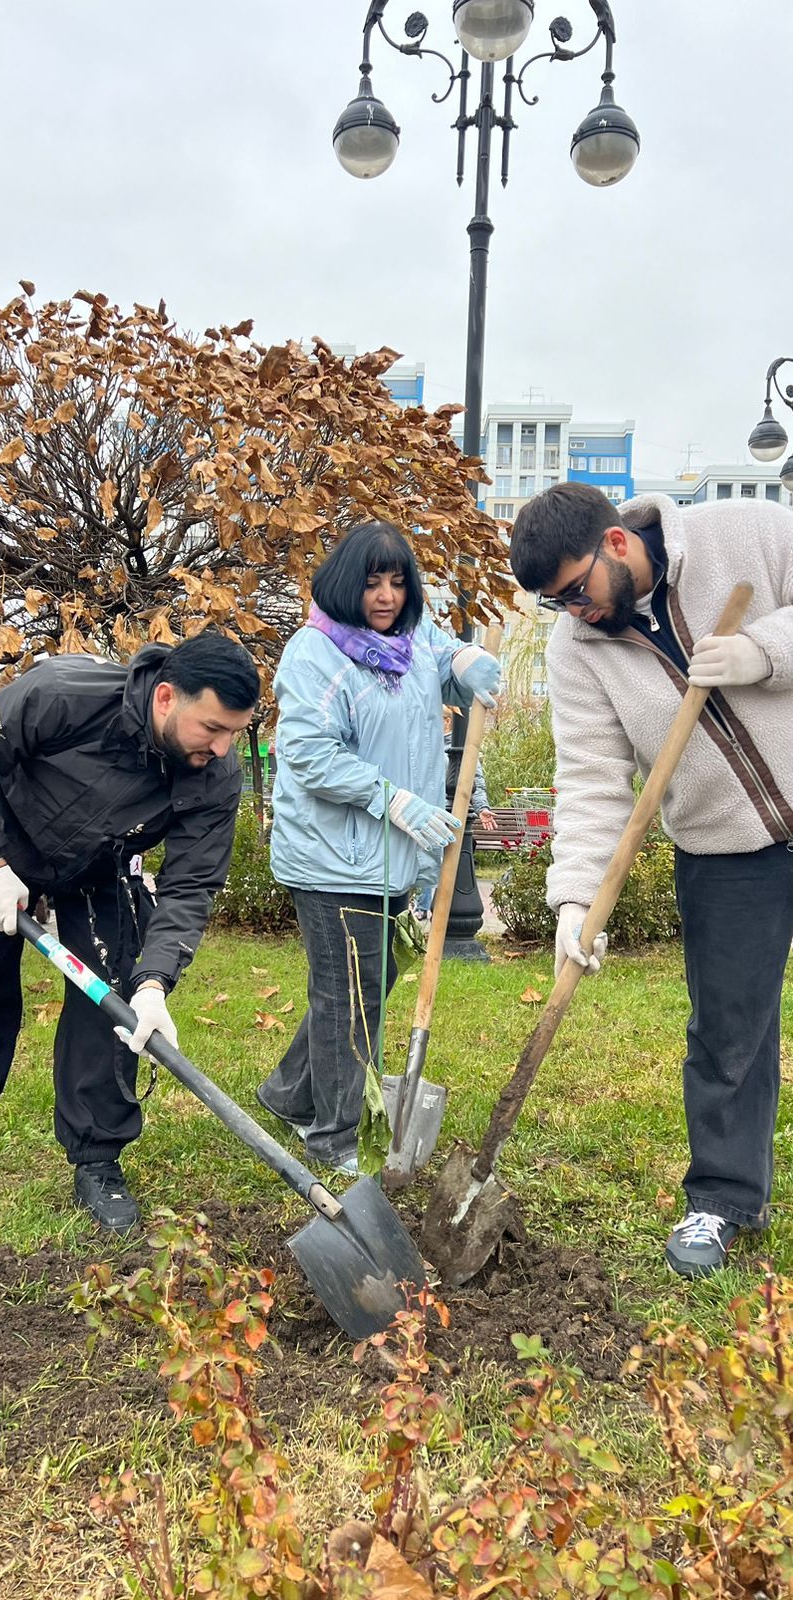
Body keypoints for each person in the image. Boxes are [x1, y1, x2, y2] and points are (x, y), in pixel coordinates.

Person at [508, 481, 793, 1279]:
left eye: (575, 591)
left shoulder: (751, 533)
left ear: (618, 544)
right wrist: (572, 900)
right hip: (725, 850)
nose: (574, 613)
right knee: (726, 1038)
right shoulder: (578, 651)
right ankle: (727, 1198)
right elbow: (594, 778)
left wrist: (765, 652)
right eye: (554, 605)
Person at [0, 634, 260, 1230]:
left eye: (233, 734)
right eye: (212, 728)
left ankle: (97, 1157)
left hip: (100, 871)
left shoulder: (214, 773)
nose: (221, 748)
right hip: (4, 844)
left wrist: (155, 982)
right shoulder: (66, 693)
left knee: (110, 1004)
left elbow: (191, 884)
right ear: (166, 697)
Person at [260, 520, 501, 1173]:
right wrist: (391, 800)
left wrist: (467, 663)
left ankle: (289, 1091)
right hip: (333, 857)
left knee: (367, 981)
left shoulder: (413, 637)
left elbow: (445, 657)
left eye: (398, 581)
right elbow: (309, 755)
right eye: (372, 582)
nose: (387, 596)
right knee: (351, 996)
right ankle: (331, 1140)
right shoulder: (316, 654)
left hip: (390, 859)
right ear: (346, 583)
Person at [414, 707, 496, 919]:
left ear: (448, 722)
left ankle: (428, 909)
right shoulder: (425, 746)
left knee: (436, 858)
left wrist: (482, 808)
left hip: (449, 815)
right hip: (425, 813)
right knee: (422, 858)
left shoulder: (461, 749)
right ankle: (422, 907)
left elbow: (474, 780)